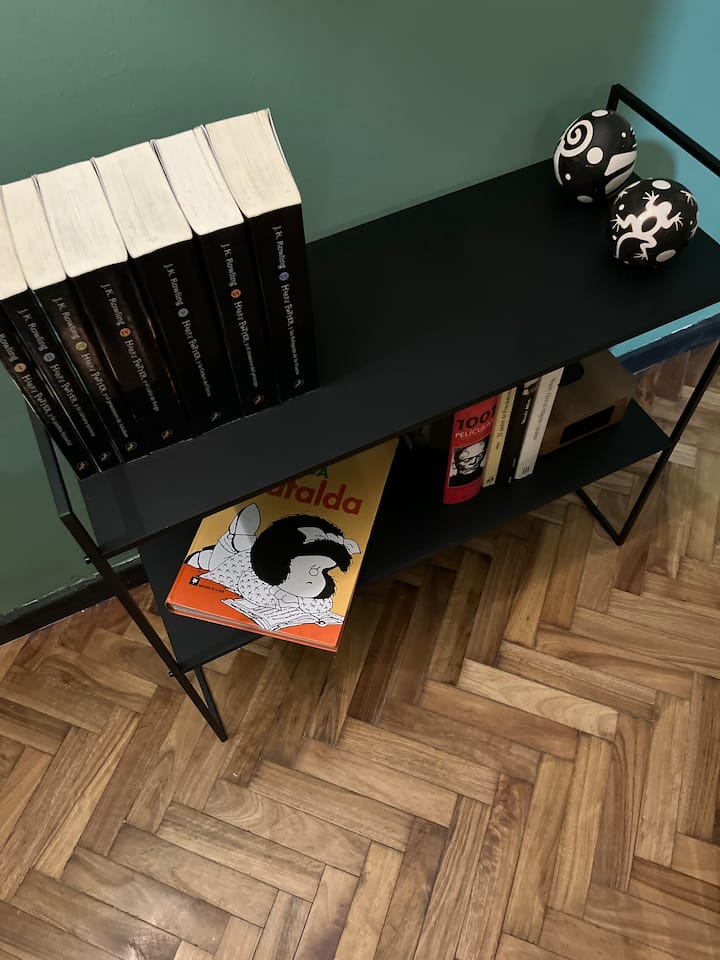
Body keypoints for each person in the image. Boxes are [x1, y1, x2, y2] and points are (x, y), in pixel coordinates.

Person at [186, 504, 360, 629]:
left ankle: (236, 542)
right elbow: (250, 590)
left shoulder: (315, 598)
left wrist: (295, 601)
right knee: (220, 562)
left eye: (324, 571)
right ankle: (231, 542)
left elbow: (323, 605)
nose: (318, 577)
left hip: (259, 557)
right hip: (242, 564)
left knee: (240, 552)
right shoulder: (256, 580)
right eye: (314, 568)